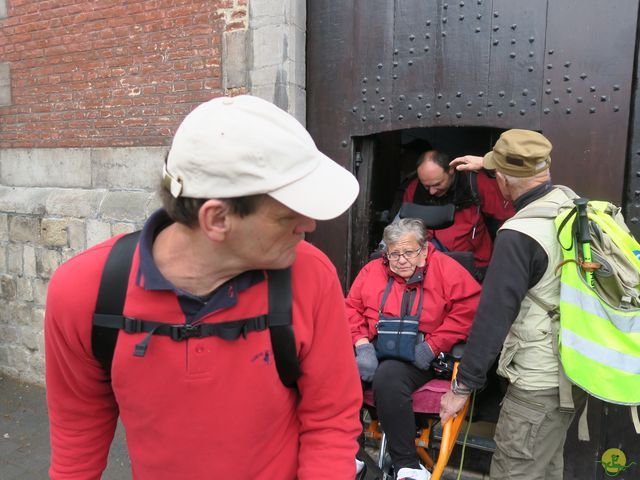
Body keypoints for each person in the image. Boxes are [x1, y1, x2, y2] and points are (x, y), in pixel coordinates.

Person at [45, 95, 364, 479]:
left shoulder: (311, 275)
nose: (309, 224)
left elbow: (331, 418)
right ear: (216, 219)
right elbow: (78, 428)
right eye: (287, 215)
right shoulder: (85, 292)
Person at [439, 129, 588, 480]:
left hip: (537, 385)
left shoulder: (518, 235)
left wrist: (461, 388)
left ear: (504, 179)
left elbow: (492, 320)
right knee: (547, 467)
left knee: (514, 472)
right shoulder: (569, 202)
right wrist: (490, 165)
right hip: (573, 372)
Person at [346, 218, 481, 480]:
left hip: (422, 353)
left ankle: (407, 464)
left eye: (408, 252)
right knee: (340, 370)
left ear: (425, 249)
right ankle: (350, 453)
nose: (400, 260)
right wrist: (362, 345)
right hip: (375, 345)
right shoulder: (373, 270)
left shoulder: (445, 268)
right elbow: (351, 308)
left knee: (389, 375)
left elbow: (470, 310)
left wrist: (433, 345)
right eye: (393, 253)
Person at [402, 149, 515, 277]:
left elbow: (507, 217)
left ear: (451, 170)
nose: (432, 192)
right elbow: (407, 229)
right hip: (430, 266)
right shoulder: (413, 189)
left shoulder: (476, 183)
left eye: (437, 184)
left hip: (474, 267)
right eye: (426, 186)